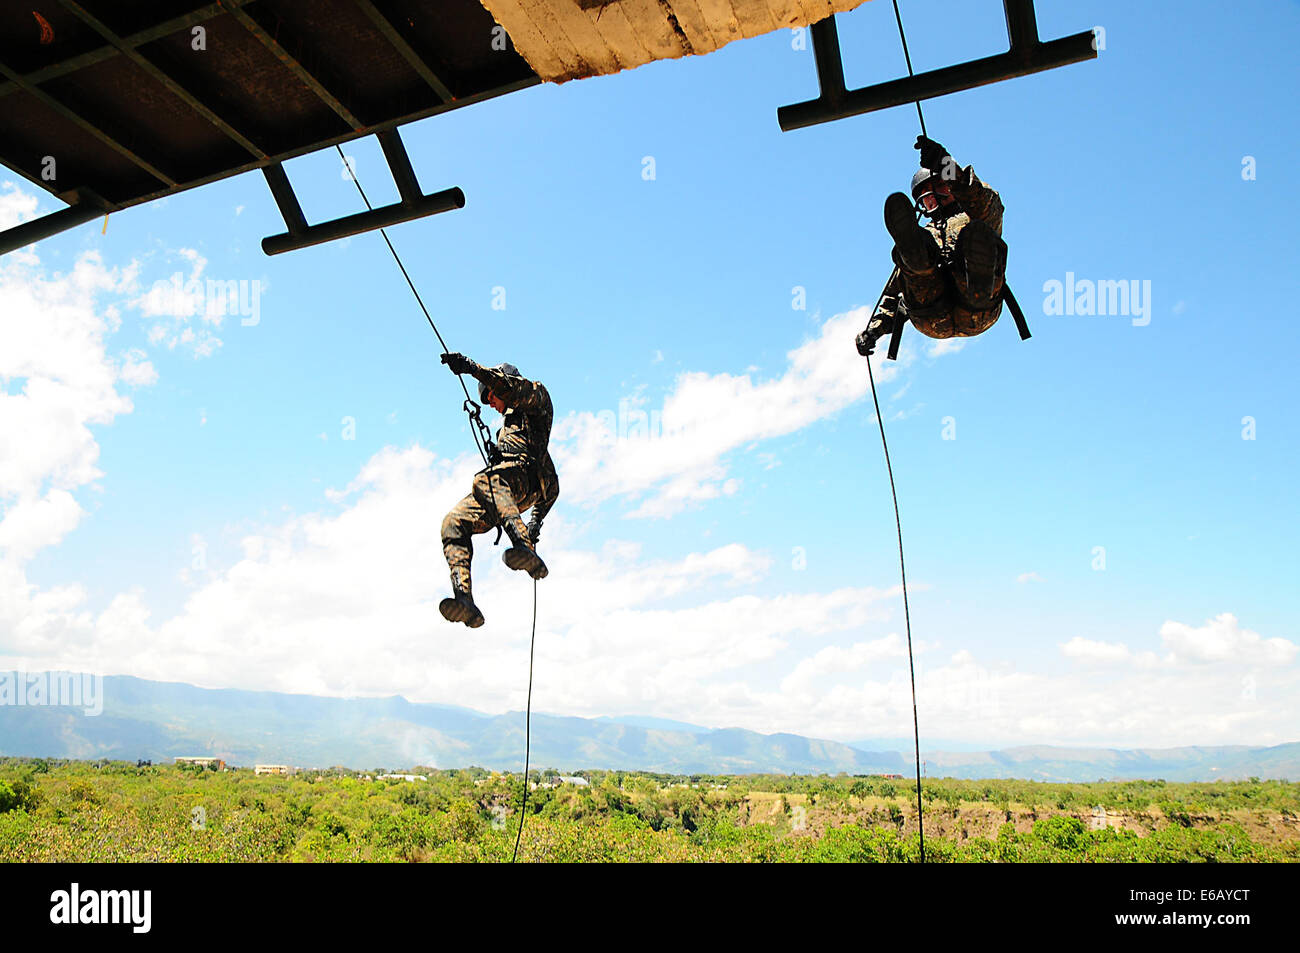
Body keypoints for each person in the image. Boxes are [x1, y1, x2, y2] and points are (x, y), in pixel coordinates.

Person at [436, 353, 559, 628]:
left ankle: (523, 546)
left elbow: (509, 388)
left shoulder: (535, 398)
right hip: (506, 488)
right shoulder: (508, 430)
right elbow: (554, 490)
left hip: (523, 480)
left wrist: (471, 368)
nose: (490, 403)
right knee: (453, 523)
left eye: (490, 396)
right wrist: (535, 523)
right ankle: (464, 600)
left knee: (484, 481)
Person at [856, 135, 1008, 356]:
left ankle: (976, 280)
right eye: (927, 191)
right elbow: (892, 294)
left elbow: (982, 201)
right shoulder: (924, 232)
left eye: (940, 185)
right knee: (914, 259)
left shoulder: (978, 212)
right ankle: (918, 257)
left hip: (979, 308)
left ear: (950, 187)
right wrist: (872, 332)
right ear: (921, 201)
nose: (934, 194)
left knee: (977, 233)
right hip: (932, 315)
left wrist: (945, 165)